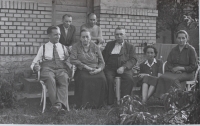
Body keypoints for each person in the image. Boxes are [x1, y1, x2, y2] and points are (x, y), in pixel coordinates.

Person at [30, 26, 71, 113]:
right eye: (55, 34)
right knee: (50, 78)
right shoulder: (43, 48)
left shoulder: (63, 47)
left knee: (64, 78)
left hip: (61, 69)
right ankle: (58, 105)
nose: (58, 36)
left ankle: (58, 106)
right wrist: (35, 67)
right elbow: (34, 63)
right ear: (49, 35)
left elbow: (68, 60)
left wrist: (69, 64)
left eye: (59, 34)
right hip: (47, 69)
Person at [154, 30, 198, 98]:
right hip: (174, 71)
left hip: (188, 73)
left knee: (174, 80)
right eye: (179, 38)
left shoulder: (191, 50)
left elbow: (194, 66)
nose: (181, 40)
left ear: (186, 38)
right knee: (162, 77)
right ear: (176, 39)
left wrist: (180, 68)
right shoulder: (174, 50)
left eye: (183, 38)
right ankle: (162, 97)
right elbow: (169, 62)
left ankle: (178, 97)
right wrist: (174, 70)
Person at [70, 29, 107, 109]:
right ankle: (84, 104)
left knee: (102, 78)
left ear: (90, 38)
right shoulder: (75, 46)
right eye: (83, 37)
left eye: (87, 37)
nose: (85, 39)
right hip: (82, 68)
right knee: (84, 78)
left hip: (95, 68)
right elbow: (72, 59)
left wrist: (99, 69)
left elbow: (102, 62)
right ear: (80, 38)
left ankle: (99, 104)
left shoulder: (95, 47)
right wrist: (85, 66)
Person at [102, 27, 137, 105]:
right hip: (110, 68)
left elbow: (133, 59)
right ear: (114, 35)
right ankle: (110, 102)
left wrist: (124, 67)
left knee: (129, 79)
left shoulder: (130, 46)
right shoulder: (109, 44)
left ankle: (124, 102)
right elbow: (103, 56)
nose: (119, 36)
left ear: (125, 35)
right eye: (117, 34)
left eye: (121, 34)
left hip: (124, 68)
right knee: (108, 79)